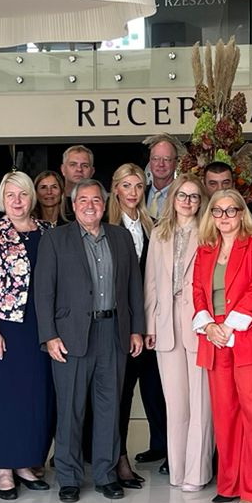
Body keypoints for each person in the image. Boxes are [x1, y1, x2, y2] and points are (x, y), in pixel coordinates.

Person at [31, 178, 145, 501]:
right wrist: (49, 335)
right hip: (71, 335)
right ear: (73, 205)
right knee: (70, 407)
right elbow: (44, 291)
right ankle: (68, 477)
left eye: (96, 200)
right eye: (83, 200)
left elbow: (134, 286)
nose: (90, 206)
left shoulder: (121, 237)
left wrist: (136, 328)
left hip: (114, 331)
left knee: (110, 406)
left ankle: (106, 474)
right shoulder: (55, 239)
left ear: (104, 204)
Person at [193, 191, 252, 503]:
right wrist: (208, 325)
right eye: (217, 211)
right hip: (215, 339)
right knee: (225, 415)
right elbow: (197, 291)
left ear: (242, 212)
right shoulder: (205, 249)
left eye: (231, 210)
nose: (224, 217)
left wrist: (228, 325)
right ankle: (229, 483)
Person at [0, 171, 54, 499]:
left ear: (32, 197)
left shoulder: (48, 231)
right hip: (3, 328)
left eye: (23, 194)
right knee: (2, 399)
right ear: (2, 199)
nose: (17, 201)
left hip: (39, 328)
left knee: (34, 397)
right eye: (10, 195)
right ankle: (4, 468)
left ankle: (25, 463)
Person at [145, 178, 213, 491]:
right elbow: (151, 283)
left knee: (201, 403)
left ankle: (197, 473)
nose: (187, 201)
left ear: (201, 202)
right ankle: (178, 470)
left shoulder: (209, 233)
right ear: (172, 199)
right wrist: (149, 325)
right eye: (182, 195)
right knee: (175, 404)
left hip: (199, 323)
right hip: (165, 325)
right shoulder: (159, 233)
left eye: (194, 196)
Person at [107, 163, 163, 480]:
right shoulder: (104, 226)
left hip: (148, 322)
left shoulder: (152, 226)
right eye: (126, 185)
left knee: (154, 390)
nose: (133, 192)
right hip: (116, 326)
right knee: (120, 395)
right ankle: (118, 458)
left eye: (139, 186)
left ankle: (163, 448)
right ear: (116, 188)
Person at [143, 134, 181, 221]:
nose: (161, 164)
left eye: (167, 159)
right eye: (156, 159)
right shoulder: (140, 195)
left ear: (176, 163)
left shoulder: (184, 197)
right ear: (150, 162)